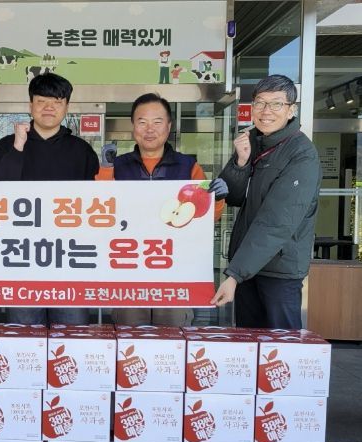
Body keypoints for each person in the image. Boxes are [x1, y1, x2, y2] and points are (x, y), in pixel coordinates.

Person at [210, 74, 323, 329]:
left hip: (279, 269)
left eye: (276, 104)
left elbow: (277, 222)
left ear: (291, 110)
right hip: (247, 266)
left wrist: (234, 274)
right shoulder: (253, 141)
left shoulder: (302, 154)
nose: (266, 111)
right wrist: (240, 162)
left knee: (281, 346)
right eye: (260, 103)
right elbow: (232, 197)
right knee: (251, 343)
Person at [0, 72, 99, 326]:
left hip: (70, 258)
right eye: (41, 101)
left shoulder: (81, 150)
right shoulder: (7, 146)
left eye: (57, 102)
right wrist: (19, 146)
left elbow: (97, 202)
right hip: (21, 257)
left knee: (72, 332)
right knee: (24, 333)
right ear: (31, 105)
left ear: (66, 107)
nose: (49, 108)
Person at [111, 92, 227, 327]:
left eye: (157, 122)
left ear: (169, 126)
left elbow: (206, 219)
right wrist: (105, 170)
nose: (149, 129)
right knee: (130, 334)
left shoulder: (188, 166)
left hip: (176, 270)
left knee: (172, 335)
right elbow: (100, 210)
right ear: (133, 126)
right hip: (129, 269)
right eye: (142, 122)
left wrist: (218, 199)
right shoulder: (117, 166)